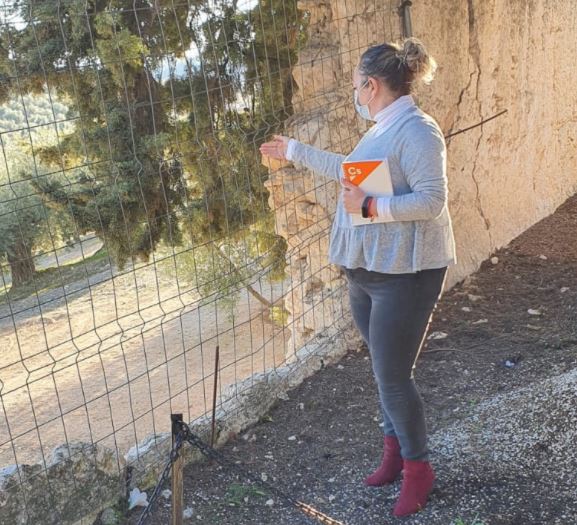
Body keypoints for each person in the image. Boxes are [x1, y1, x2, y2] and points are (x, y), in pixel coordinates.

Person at [260, 37, 457, 517]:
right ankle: (393, 455)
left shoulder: (418, 132)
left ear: (371, 86)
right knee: (385, 373)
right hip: (367, 274)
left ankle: (418, 469)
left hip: (404, 276)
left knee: (392, 377)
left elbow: (432, 201)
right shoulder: (380, 130)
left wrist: (370, 205)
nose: (354, 93)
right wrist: (295, 150)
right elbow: (349, 171)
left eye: (354, 85)